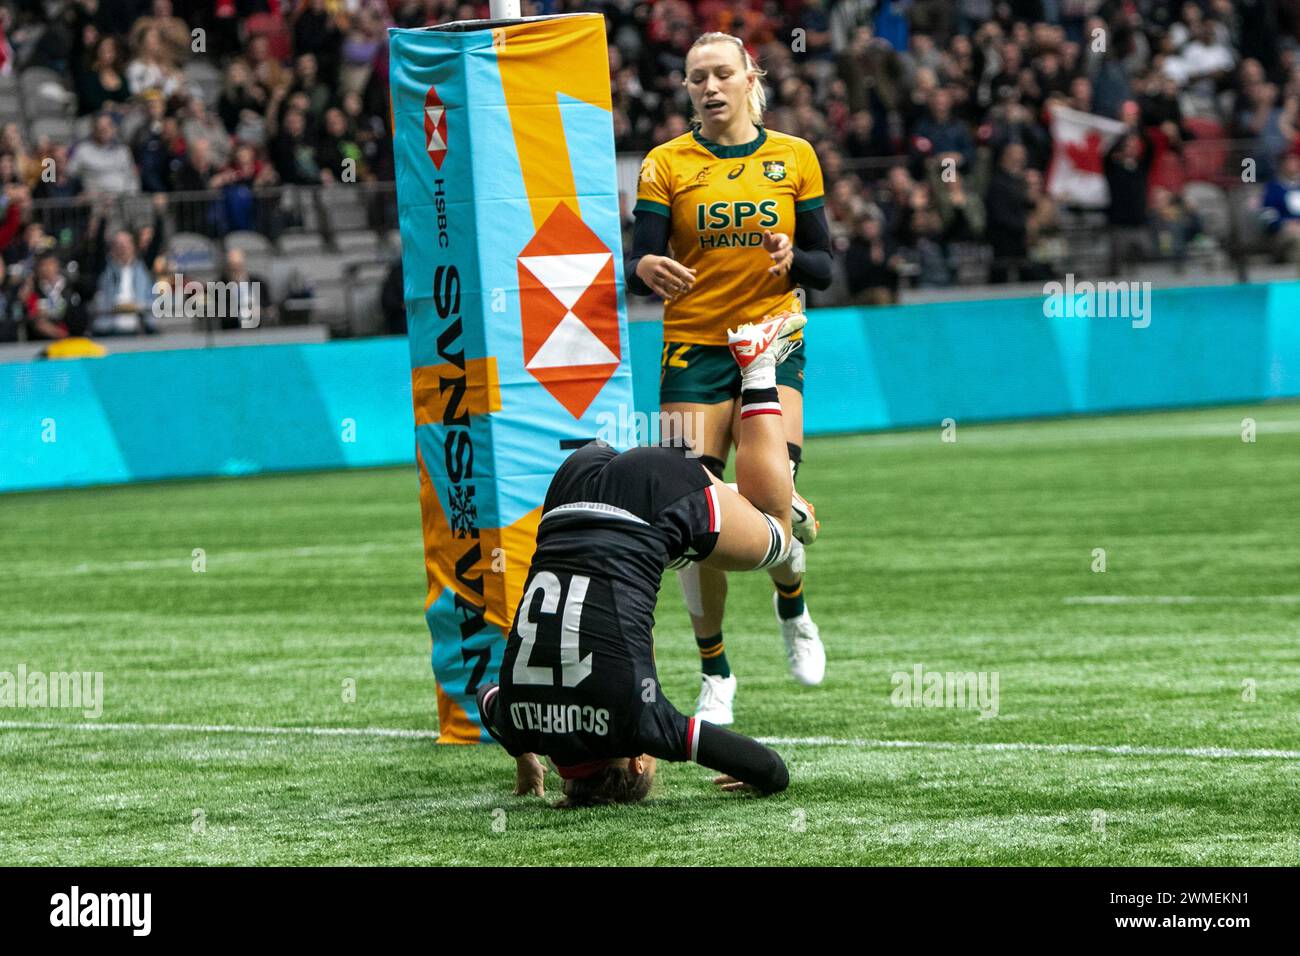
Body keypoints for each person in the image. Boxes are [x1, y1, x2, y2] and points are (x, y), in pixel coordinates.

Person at [477, 310, 813, 806]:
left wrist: (760, 776)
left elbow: (772, 769)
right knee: (671, 548)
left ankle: (757, 366)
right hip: (572, 481)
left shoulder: (639, 721)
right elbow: (486, 698)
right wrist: (523, 753)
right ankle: (728, 502)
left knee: (780, 531)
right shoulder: (514, 720)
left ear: (637, 761)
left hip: (655, 497)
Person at [625, 31, 831, 727]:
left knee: (767, 497)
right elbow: (642, 253)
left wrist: (792, 255)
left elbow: (827, 268)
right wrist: (647, 268)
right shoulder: (666, 163)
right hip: (693, 345)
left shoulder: (794, 157)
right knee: (690, 515)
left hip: (773, 336)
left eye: (720, 75)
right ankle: (715, 667)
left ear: (750, 78)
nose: (708, 88)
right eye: (695, 80)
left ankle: (792, 608)